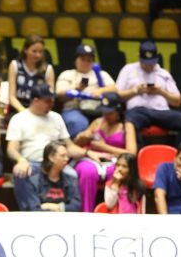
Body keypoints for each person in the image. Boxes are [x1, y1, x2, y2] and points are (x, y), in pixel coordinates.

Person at [6, 83, 110, 211]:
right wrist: (21, 160)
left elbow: (69, 147)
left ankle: (71, 210)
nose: (52, 103)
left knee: (72, 174)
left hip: (56, 162)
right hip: (32, 163)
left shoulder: (56, 117)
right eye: (47, 101)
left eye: (52, 100)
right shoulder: (19, 118)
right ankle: (29, 212)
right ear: (36, 100)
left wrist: (87, 153)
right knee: (20, 172)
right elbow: (11, 149)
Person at [116, 41, 181, 148]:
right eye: (145, 63)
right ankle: (136, 155)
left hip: (161, 112)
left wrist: (161, 92)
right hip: (138, 112)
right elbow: (117, 95)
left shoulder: (163, 73)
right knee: (129, 120)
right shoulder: (128, 69)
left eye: (151, 63)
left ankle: (179, 155)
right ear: (139, 56)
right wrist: (135, 91)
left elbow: (177, 101)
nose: (149, 66)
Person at [72, 92, 137, 212]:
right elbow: (75, 145)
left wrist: (104, 146)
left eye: (110, 113)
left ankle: (115, 210)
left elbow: (131, 153)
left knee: (117, 172)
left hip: (115, 161)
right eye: (104, 112)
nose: (106, 115)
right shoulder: (98, 122)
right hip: (93, 159)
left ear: (118, 111)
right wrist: (81, 138)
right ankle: (86, 212)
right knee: (86, 170)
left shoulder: (127, 126)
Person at [55, 43, 117, 138]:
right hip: (74, 109)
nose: (85, 63)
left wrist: (101, 91)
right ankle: (75, 144)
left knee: (109, 122)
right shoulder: (67, 74)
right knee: (78, 123)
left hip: (99, 109)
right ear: (76, 59)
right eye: (82, 59)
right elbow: (59, 95)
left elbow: (115, 89)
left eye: (89, 60)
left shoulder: (101, 74)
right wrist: (77, 90)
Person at [15, 142, 81, 212]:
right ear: (51, 157)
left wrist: (56, 207)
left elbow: (76, 205)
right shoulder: (33, 181)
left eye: (67, 156)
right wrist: (62, 208)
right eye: (62, 156)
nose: (66, 159)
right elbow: (34, 209)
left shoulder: (70, 179)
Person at [7, 34, 54, 120]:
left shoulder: (48, 69)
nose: (38, 55)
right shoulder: (15, 65)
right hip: (18, 111)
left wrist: (37, 112)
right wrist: (25, 113)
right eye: (34, 51)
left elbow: (50, 98)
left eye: (41, 52)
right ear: (25, 50)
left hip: (40, 111)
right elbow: (12, 97)